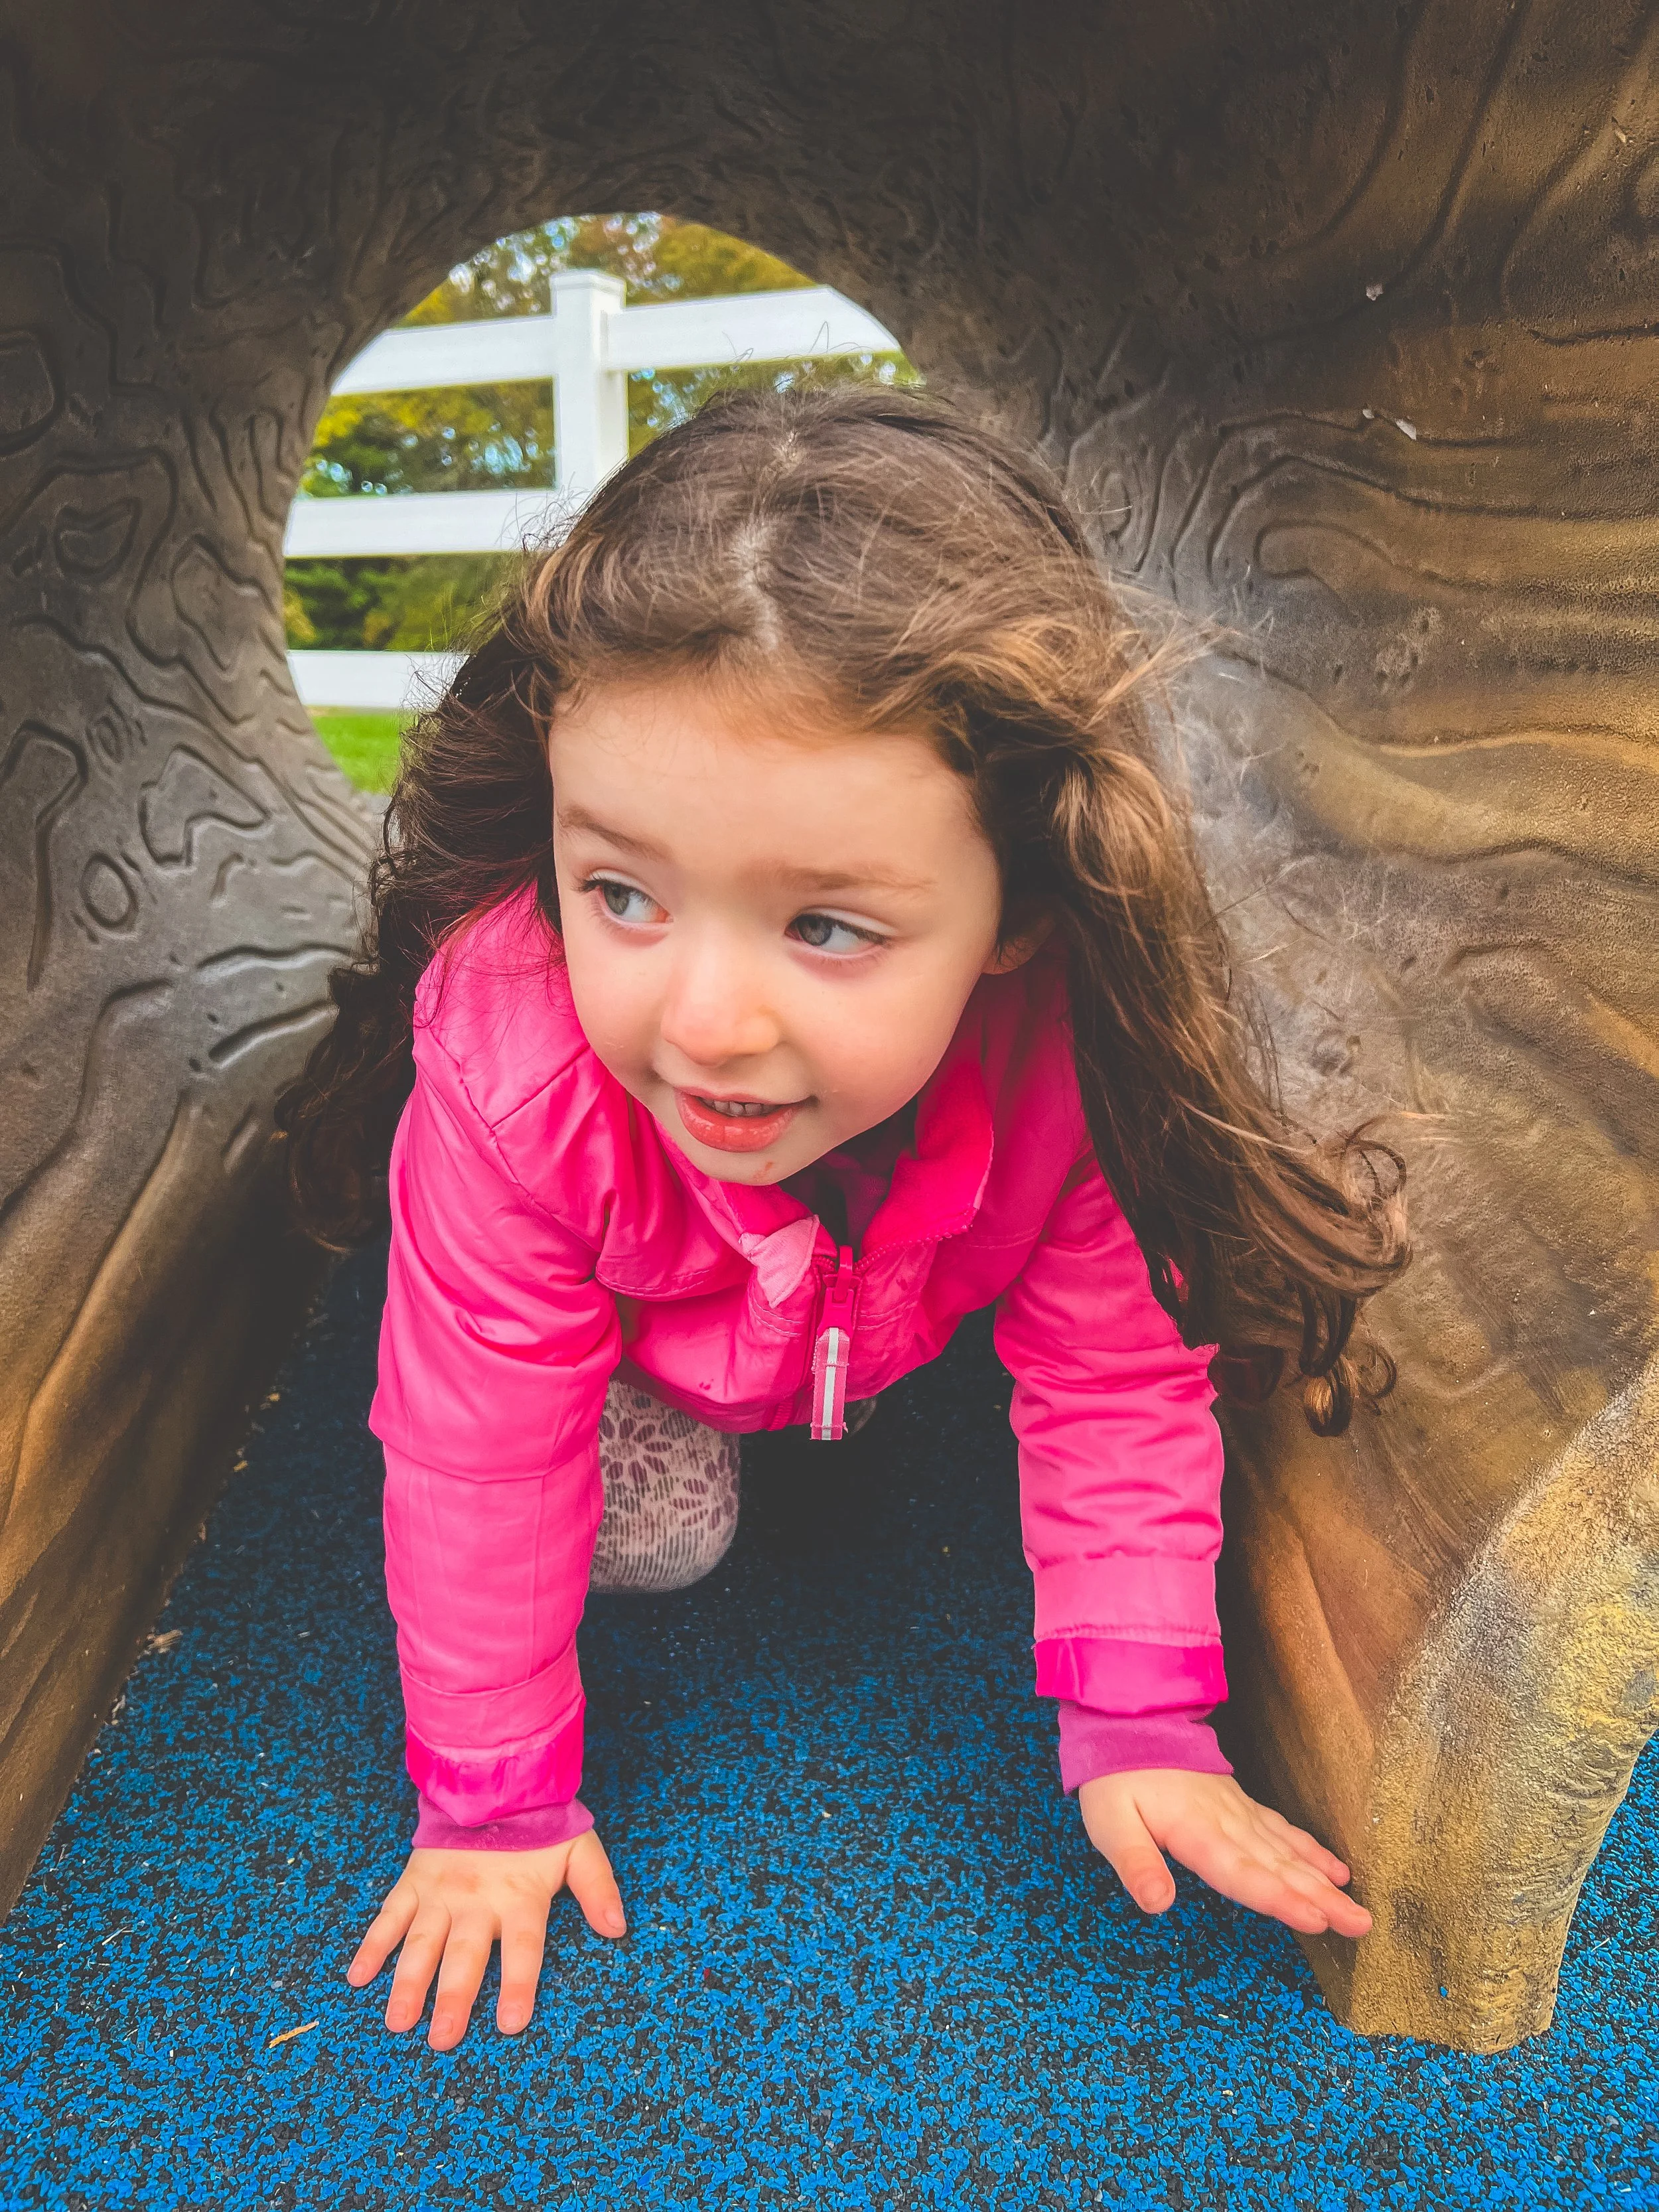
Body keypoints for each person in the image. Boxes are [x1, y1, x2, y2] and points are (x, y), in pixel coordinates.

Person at [278, 386, 1406, 2053]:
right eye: (622, 894)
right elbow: (477, 1440)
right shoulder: (515, 1071)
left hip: (865, 1300)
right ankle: (715, 1391)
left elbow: (1111, 1374)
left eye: (823, 924)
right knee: (660, 1537)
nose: (707, 1019)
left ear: (1017, 904)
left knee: (954, 1340)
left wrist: (1141, 1720)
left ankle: (828, 1343)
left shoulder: (1076, 1059)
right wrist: (492, 1806)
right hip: (662, 1326)